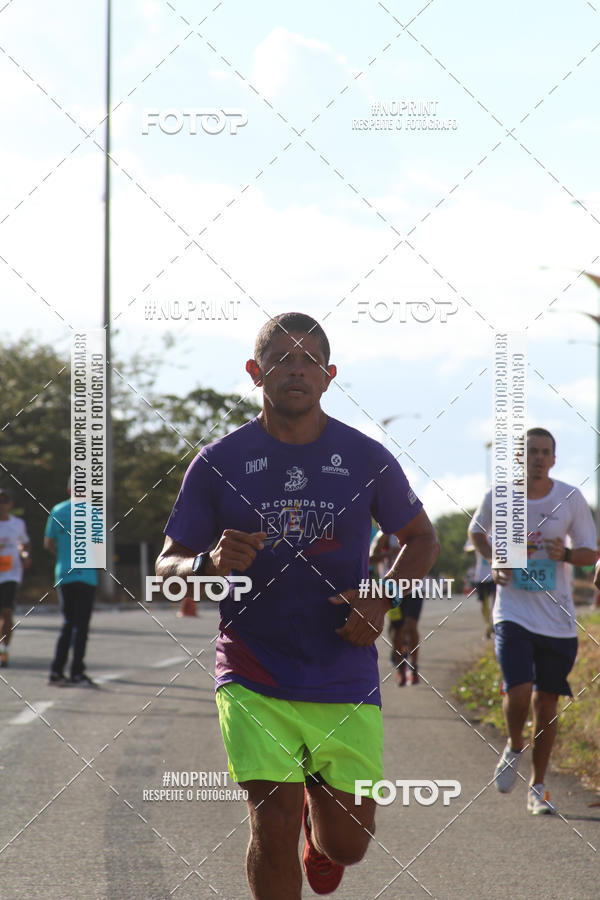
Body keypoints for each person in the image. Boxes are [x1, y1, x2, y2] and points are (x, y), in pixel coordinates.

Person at [157, 312, 439, 898]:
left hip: (343, 665)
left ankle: (322, 833)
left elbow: (423, 537)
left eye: (310, 360)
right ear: (255, 372)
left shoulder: (366, 459)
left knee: (349, 844)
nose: (296, 370)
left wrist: (381, 597)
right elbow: (167, 569)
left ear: (330, 376)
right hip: (253, 665)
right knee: (272, 820)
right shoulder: (218, 463)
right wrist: (207, 564)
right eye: (282, 358)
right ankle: (295, 823)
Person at [468, 428, 597, 815]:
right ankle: (514, 745)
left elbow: (591, 551)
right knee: (520, 691)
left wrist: (568, 554)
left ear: (554, 459)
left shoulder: (570, 498)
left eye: (546, 452)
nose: (539, 457)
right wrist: (493, 559)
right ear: (520, 458)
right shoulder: (500, 496)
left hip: (557, 619)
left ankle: (538, 786)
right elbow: (477, 532)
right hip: (513, 612)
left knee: (546, 704)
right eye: (532, 451)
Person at [45, 478, 98, 686]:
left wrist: (63, 554)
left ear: (68, 489)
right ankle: (77, 671)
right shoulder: (93, 512)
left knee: (67, 622)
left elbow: (48, 543)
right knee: (81, 626)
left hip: (65, 573)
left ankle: (56, 671)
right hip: (86, 575)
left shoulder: (57, 510)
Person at [371, 530, 422, 684]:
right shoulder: (384, 534)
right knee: (397, 631)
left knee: (411, 626)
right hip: (391, 589)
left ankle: (414, 667)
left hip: (414, 588)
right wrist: (388, 554)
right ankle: (400, 668)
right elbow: (371, 558)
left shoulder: (417, 527)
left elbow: (431, 549)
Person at [0, 488, 31, 667]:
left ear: (10, 504)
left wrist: (25, 554)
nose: (1, 505)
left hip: (11, 573)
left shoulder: (17, 524)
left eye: (4, 502)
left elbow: (23, 543)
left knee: (7, 611)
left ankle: (4, 649)